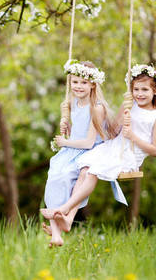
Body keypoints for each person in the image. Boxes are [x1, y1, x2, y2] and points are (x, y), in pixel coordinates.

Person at [45, 64, 156, 233]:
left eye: (144, 90)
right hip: (113, 147)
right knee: (84, 169)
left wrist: (132, 136)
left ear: (155, 91)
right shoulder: (128, 106)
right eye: (136, 89)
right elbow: (112, 132)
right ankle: (68, 219)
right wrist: (122, 112)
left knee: (92, 171)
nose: (139, 94)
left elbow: (155, 150)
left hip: (131, 154)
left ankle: (64, 208)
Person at [40, 60, 118, 247]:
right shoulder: (70, 103)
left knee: (67, 175)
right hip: (72, 150)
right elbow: (69, 121)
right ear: (70, 82)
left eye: (83, 82)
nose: (79, 86)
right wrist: (64, 124)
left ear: (93, 84)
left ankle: (65, 218)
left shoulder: (96, 107)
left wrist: (65, 142)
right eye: (75, 82)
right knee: (54, 176)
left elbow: (89, 142)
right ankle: (56, 234)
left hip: (89, 150)